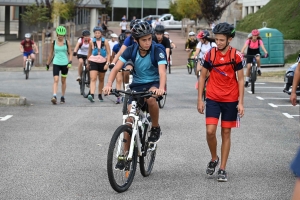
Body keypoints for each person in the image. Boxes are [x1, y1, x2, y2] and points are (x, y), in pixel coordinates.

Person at [103, 21, 167, 148]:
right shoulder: (130, 50)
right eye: (144, 40)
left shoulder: (157, 50)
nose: (148, 42)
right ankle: (124, 156)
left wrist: (160, 88)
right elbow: (115, 69)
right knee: (129, 120)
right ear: (136, 40)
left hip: (153, 83)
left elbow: (162, 72)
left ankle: (155, 127)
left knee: (150, 100)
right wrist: (109, 84)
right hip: (136, 85)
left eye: (149, 39)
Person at [197, 22, 245, 182]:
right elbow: (203, 76)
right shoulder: (210, 54)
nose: (218, 43)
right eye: (216, 39)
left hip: (230, 99)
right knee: (210, 131)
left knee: (226, 132)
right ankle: (214, 158)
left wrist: (241, 102)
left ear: (230, 39)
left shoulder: (236, 56)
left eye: (222, 40)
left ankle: (223, 168)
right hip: (212, 97)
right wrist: (200, 99)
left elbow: (241, 79)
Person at [46, 26, 72, 104]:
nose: (61, 36)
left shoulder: (67, 42)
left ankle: (62, 97)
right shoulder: (53, 42)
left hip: (65, 63)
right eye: (59, 35)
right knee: (56, 80)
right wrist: (47, 63)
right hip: (56, 62)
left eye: (62, 35)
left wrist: (70, 62)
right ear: (57, 34)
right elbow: (51, 53)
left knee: (63, 81)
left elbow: (70, 53)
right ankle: (54, 96)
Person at [86, 26, 111, 102]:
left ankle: (100, 94)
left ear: (101, 33)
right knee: (93, 78)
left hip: (103, 61)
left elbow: (109, 53)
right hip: (93, 61)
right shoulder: (91, 41)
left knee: (101, 78)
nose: (97, 34)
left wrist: (107, 63)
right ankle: (92, 94)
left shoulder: (105, 41)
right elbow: (89, 53)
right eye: (96, 33)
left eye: (98, 33)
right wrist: (88, 63)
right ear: (94, 33)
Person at [112, 33, 126, 104]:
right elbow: (113, 55)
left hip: (126, 64)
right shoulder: (116, 46)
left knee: (125, 81)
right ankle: (118, 97)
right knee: (119, 80)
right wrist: (113, 63)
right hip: (118, 65)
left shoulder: (128, 46)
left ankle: (125, 95)